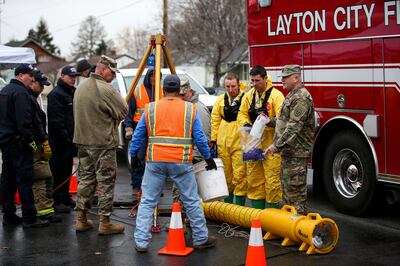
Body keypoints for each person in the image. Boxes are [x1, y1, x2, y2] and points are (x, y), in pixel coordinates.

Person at [130, 74, 217, 252]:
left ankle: (141, 242)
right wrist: (208, 158)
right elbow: (200, 139)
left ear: (163, 89)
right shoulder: (189, 109)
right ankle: (201, 238)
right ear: (179, 90)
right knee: (191, 200)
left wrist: (134, 156)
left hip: (155, 161)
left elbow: (138, 135)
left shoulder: (151, 108)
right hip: (181, 162)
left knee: (147, 201)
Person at [73, 55, 128, 234]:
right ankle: (105, 222)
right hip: (102, 143)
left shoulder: (80, 87)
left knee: (86, 180)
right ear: (103, 69)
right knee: (105, 182)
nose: (113, 76)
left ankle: (81, 219)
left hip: (83, 142)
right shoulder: (106, 89)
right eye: (112, 73)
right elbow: (123, 110)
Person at [0, 64, 49, 228]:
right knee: (25, 180)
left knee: (8, 180)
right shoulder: (21, 94)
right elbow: (24, 123)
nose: (32, 79)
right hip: (20, 143)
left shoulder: (4, 91)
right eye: (30, 76)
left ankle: (9, 214)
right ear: (21, 75)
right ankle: (29, 217)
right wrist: (33, 144)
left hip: (6, 143)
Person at [265, 65, 315, 215]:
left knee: (296, 196)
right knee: (287, 194)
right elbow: (285, 121)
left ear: (296, 78)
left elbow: (293, 128)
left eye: (286, 77)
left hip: (296, 154)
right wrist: (269, 121)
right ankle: (289, 230)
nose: (282, 81)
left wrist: (275, 146)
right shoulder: (293, 95)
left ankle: (299, 231)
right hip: (289, 152)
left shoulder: (301, 98)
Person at [237, 65, 285, 209]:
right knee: (254, 179)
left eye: (257, 80)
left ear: (265, 78)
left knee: (272, 180)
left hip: (271, 144)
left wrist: (268, 122)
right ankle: (257, 215)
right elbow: (242, 113)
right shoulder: (249, 95)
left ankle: (273, 217)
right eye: (252, 81)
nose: (254, 84)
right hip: (253, 143)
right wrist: (246, 124)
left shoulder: (276, 96)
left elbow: (283, 120)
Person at [29, 69, 62, 223]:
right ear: (32, 82)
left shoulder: (34, 98)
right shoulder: (27, 98)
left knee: (47, 177)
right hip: (35, 145)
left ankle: (46, 209)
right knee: (41, 178)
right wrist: (37, 144)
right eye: (40, 85)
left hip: (40, 142)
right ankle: (43, 211)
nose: (42, 88)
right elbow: (30, 125)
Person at [124, 68, 163, 197]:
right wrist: (129, 128)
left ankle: (154, 187)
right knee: (138, 159)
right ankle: (136, 186)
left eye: (157, 77)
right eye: (152, 76)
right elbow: (129, 112)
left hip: (157, 130)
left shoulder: (162, 92)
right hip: (140, 129)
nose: (154, 79)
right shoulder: (137, 91)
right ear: (148, 77)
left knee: (155, 161)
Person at [210, 73, 246, 206]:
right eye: (228, 86)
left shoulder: (245, 99)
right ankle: (228, 207)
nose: (231, 90)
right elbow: (215, 120)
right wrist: (213, 139)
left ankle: (239, 208)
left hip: (239, 142)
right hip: (223, 142)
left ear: (238, 84)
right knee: (226, 176)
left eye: (233, 86)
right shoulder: (220, 100)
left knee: (240, 175)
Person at [47, 65, 78, 213]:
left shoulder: (72, 92)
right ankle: (57, 200)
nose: (73, 79)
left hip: (70, 140)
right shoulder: (56, 94)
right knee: (58, 171)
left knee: (67, 170)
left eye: (74, 77)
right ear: (62, 77)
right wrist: (66, 138)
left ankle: (65, 197)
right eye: (70, 76)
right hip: (59, 142)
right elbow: (56, 121)